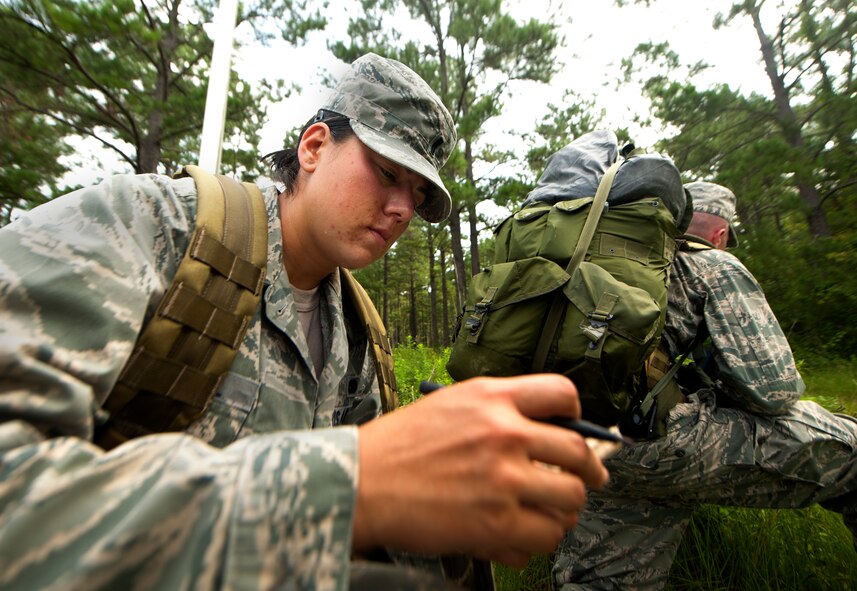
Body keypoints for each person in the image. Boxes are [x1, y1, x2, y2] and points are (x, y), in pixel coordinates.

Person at [0, 53, 609, 590]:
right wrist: (349, 483)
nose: (402, 209)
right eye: (388, 172)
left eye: (419, 196)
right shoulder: (151, 224)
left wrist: (459, 490)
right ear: (314, 147)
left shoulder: (359, 328)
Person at [552, 181, 857, 590]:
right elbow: (773, 392)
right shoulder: (714, 264)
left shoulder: (604, 259)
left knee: (603, 582)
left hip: (580, 438)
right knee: (853, 451)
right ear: (721, 234)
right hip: (657, 444)